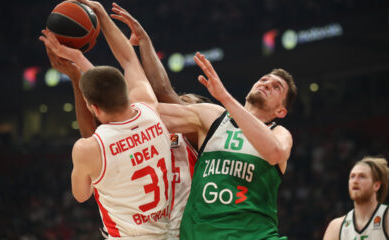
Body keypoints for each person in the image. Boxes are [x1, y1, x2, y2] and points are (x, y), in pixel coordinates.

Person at [39, 3, 174, 237]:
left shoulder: (88, 148)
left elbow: (81, 195)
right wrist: (101, 14)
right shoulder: (150, 111)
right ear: (127, 93)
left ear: (93, 108)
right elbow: (129, 60)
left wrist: (75, 68)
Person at [157, 52, 297, 239]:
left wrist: (224, 97)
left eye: (276, 87)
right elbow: (151, 113)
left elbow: (275, 153)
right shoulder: (214, 116)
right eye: (264, 80)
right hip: (200, 234)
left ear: (280, 111)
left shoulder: (279, 133)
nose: (266, 84)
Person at [323, 156, 389, 240]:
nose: (355, 181)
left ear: (376, 185)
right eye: (352, 176)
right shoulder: (336, 227)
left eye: (362, 176)